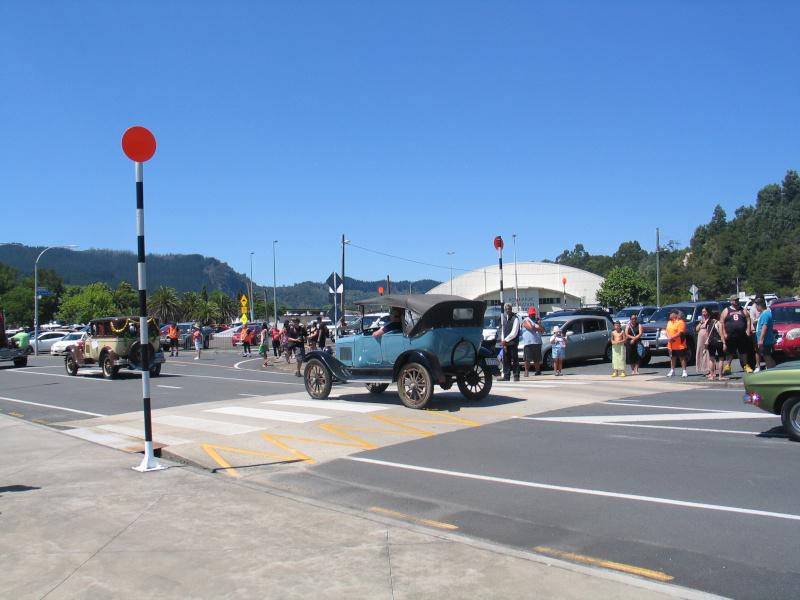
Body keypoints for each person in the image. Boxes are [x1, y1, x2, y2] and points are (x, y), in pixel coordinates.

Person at [721, 295, 752, 375]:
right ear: (731, 301)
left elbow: (748, 319)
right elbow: (722, 322)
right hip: (730, 335)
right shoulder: (726, 310)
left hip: (741, 334)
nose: (736, 301)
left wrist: (748, 330)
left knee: (743, 351)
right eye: (734, 300)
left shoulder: (743, 310)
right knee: (730, 352)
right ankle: (728, 366)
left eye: (737, 300)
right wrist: (724, 333)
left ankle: (745, 365)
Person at [497, 303, 520, 381]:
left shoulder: (515, 319)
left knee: (515, 359)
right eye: (506, 309)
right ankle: (506, 376)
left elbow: (514, 332)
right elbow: (503, 331)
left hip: (513, 343)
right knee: (506, 360)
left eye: (509, 309)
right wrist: (504, 343)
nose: (507, 311)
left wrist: (505, 340)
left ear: (511, 309)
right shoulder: (504, 318)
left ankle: (516, 376)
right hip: (506, 343)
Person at [521, 307, 544, 376]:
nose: (532, 315)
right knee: (527, 359)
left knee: (537, 359)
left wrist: (540, 325)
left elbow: (543, 330)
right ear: (529, 314)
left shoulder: (537, 321)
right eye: (531, 314)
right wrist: (539, 328)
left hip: (537, 342)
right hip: (529, 342)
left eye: (533, 314)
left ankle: (538, 371)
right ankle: (526, 372)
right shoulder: (526, 320)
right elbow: (531, 328)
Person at [754, 298, 776, 371]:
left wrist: (761, 339)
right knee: (768, 356)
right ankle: (774, 369)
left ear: (760, 306)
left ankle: (770, 371)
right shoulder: (767, 313)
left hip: (766, 340)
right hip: (767, 339)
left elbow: (765, 327)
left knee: (766, 356)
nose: (756, 307)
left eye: (756, 306)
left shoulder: (765, 314)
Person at [666, 309, 688, 377]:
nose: (669, 315)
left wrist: (672, 337)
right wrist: (669, 337)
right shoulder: (669, 322)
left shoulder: (680, 322)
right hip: (671, 344)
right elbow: (667, 330)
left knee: (682, 357)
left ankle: (684, 371)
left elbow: (680, 332)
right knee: (673, 357)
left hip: (680, 343)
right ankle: (672, 370)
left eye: (671, 314)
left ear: (675, 315)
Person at [705, 309, 725, 380]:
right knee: (721, 359)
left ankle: (712, 375)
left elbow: (707, 333)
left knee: (711, 359)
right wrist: (724, 343)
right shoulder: (719, 323)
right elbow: (721, 333)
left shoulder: (708, 322)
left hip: (711, 341)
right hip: (718, 341)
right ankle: (720, 376)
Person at [695, 307, 710, 375]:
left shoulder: (710, 320)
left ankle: (710, 368)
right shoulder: (702, 320)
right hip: (701, 336)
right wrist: (701, 323)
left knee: (708, 351)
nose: (703, 313)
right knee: (700, 350)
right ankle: (700, 367)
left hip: (707, 335)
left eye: (705, 312)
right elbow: (697, 329)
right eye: (702, 312)